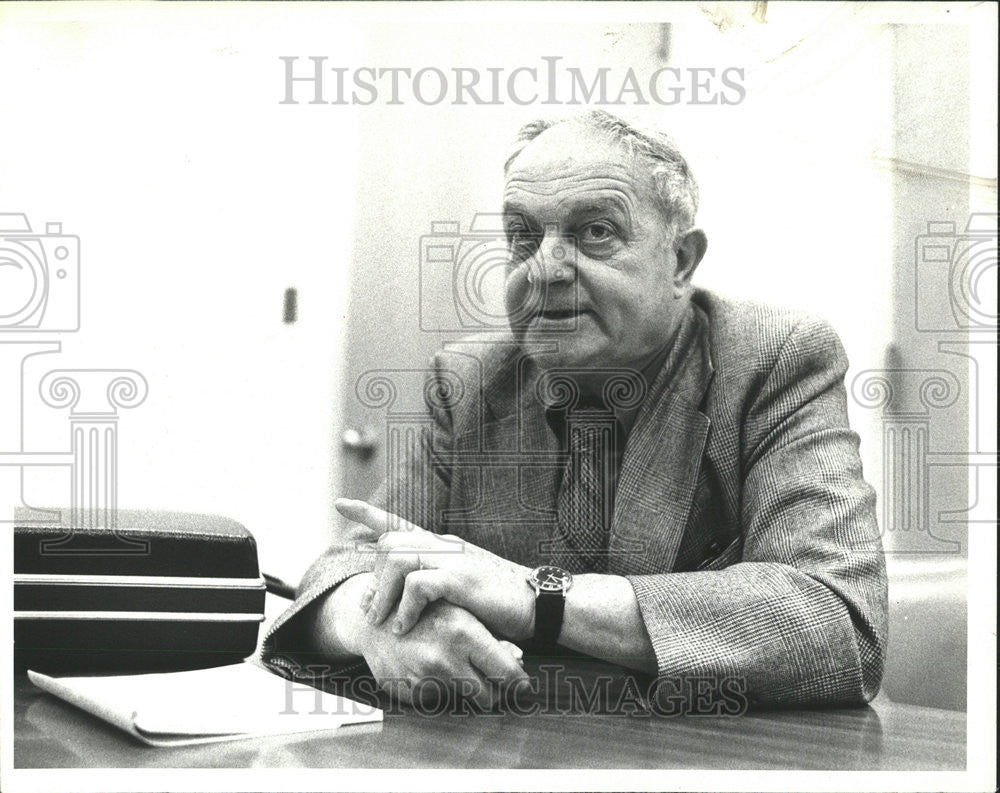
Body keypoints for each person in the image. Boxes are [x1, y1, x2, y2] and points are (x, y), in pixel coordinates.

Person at [263, 110, 888, 710]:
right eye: (522, 236)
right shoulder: (472, 379)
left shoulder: (773, 359)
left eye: (596, 232)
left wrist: (540, 597)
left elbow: (839, 619)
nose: (546, 269)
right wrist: (374, 628)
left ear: (681, 261)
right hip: (510, 747)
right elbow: (341, 571)